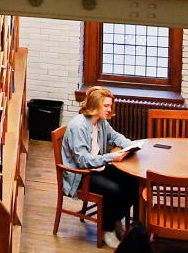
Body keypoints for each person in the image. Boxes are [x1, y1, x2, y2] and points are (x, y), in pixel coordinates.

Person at [59, 86, 140, 249]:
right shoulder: (79, 125)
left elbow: (115, 136)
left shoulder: (100, 122)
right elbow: (82, 160)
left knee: (133, 180)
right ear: (95, 105)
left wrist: (132, 145)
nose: (110, 110)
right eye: (106, 106)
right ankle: (107, 230)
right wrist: (111, 157)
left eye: (110, 106)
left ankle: (114, 218)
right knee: (114, 190)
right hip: (81, 175)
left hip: (97, 167)